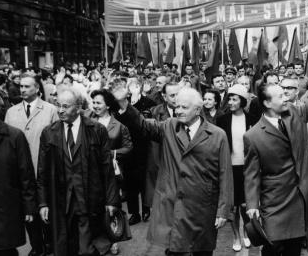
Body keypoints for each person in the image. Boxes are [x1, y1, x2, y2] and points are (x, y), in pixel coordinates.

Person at [115, 87, 233, 256]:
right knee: (174, 250)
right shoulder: (170, 126)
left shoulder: (217, 135)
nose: (178, 111)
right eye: (177, 107)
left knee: (202, 251)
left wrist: (223, 210)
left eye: (184, 107)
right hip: (174, 205)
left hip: (203, 207)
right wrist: (123, 102)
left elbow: (225, 174)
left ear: (198, 109)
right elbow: (143, 126)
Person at [243, 73, 308, 256]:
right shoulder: (253, 136)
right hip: (274, 201)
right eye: (280, 96)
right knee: (272, 247)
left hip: (298, 196)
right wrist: (252, 205)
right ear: (266, 103)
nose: (286, 98)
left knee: (294, 248)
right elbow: (252, 174)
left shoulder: (294, 113)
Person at [37, 86, 119, 256]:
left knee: (87, 248)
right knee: (63, 247)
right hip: (60, 202)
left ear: (78, 107)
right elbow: (42, 171)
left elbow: (107, 168)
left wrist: (111, 201)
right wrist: (43, 203)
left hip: (89, 199)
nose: (60, 110)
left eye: (65, 106)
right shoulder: (49, 133)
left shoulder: (96, 130)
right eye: (57, 105)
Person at [4, 73, 59, 256]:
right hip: (20, 173)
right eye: (21, 86)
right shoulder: (11, 112)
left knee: (47, 209)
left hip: (44, 170)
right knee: (28, 212)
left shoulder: (50, 110)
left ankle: (50, 243)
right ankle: (37, 246)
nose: (23, 90)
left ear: (37, 88)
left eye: (27, 86)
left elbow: (57, 141)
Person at [0, 91, 36, 256]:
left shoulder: (13, 136)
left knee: (4, 250)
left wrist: (29, 207)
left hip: (5, 209)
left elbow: (26, 174)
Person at [90, 89, 133, 255]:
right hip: (92, 171)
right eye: (93, 102)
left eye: (98, 103)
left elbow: (129, 147)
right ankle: (98, 239)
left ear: (107, 105)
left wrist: (113, 154)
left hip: (112, 172)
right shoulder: (87, 121)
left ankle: (114, 238)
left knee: (112, 206)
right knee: (95, 206)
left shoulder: (119, 126)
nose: (95, 106)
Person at [216, 84, 253, 252]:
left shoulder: (251, 118)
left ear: (242, 101)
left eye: (234, 99)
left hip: (246, 168)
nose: (231, 102)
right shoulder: (222, 119)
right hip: (229, 168)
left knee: (246, 204)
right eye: (229, 99)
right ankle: (236, 236)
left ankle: (246, 233)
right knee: (233, 206)